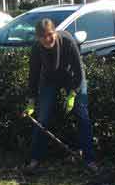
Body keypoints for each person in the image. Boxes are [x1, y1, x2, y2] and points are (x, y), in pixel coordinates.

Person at [24, 18, 97, 173]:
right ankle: (35, 159)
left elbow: (78, 71)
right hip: (49, 80)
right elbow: (34, 75)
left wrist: (72, 94)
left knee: (82, 115)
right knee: (42, 118)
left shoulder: (67, 41)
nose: (47, 39)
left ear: (55, 32)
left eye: (50, 34)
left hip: (72, 77)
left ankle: (89, 160)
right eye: (43, 36)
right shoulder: (37, 48)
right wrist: (31, 101)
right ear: (38, 37)